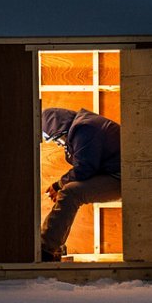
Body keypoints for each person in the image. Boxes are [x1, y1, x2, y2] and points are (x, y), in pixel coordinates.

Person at [39, 105, 121, 262]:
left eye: (57, 140)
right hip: (115, 172)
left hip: (122, 178)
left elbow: (84, 168)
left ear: (60, 129)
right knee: (69, 191)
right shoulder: (82, 125)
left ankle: (46, 249)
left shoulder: (85, 129)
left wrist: (58, 185)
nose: (59, 144)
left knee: (70, 193)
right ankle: (51, 244)